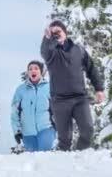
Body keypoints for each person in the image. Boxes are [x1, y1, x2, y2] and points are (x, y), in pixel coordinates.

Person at [40, 20, 105, 151]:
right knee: (64, 139)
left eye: (58, 31)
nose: (56, 35)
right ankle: (64, 167)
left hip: (79, 98)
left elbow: (91, 69)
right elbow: (45, 51)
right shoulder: (51, 53)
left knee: (88, 130)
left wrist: (99, 89)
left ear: (65, 32)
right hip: (60, 101)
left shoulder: (79, 50)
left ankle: (80, 156)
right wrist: (47, 39)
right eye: (53, 33)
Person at [10, 60, 55, 152]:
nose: (33, 71)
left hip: (46, 128)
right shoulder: (21, 90)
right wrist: (17, 131)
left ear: (41, 72)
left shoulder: (49, 87)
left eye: (36, 68)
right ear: (28, 72)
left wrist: (58, 126)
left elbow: (58, 109)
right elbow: (14, 112)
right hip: (27, 133)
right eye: (30, 69)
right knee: (32, 160)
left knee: (44, 156)